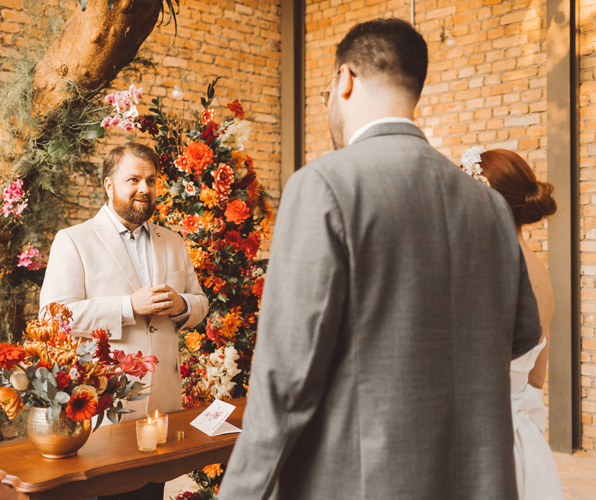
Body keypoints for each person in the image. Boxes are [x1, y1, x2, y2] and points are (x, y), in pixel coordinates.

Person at [219, 18, 541, 499]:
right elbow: (523, 333)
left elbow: (285, 378)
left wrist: (240, 492)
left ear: (344, 79)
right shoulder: (489, 204)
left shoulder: (324, 185)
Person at [39, 142, 209, 500]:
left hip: (162, 405)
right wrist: (128, 307)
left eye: (151, 180)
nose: (144, 189)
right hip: (106, 407)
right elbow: (53, 316)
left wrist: (181, 305)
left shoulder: (173, 241)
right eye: (133, 179)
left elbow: (200, 303)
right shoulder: (73, 241)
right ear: (108, 185)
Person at [462, 147, 563, 499]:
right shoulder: (540, 271)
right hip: (523, 437)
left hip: (477, 440)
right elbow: (537, 375)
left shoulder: (479, 268)